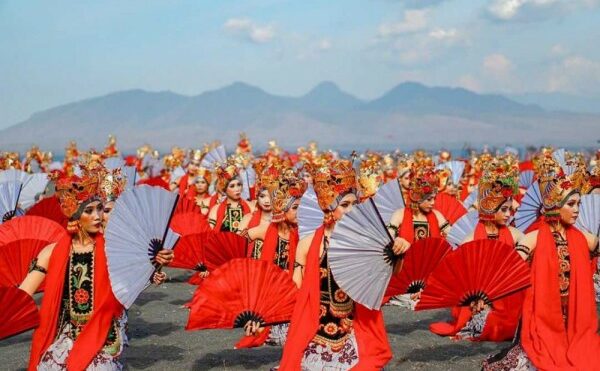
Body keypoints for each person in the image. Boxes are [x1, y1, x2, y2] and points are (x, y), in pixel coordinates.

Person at [19, 163, 173, 371]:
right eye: (89, 211)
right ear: (74, 214)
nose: (98, 216)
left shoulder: (115, 248)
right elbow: (21, 297)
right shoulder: (51, 252)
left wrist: (156, 264)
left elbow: (134, 278)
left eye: (100, 208)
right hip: (67, 332)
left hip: (104, 331)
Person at [483, 153, 600, 370]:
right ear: (556, 205)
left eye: (578, 204)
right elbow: (510, 267)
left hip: (575, 319)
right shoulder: (535, 237)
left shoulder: (583, 237)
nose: (576, 210)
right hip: (541, 317)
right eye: (571, 204)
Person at [274, 159, 394, 370]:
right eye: (344, 205)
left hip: (353, 325)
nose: (351, 210)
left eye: (354, 204)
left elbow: (388, 278)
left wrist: (396, 253)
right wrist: (270, 315)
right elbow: (295, 290)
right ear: (329, 208)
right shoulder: (309, 244)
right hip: (315, 324)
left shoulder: (364, 242)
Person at [430, 156, 525, 341]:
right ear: (490, 209)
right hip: (477, 300)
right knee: (494, 324)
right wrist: (474, 296)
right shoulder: (471, 239)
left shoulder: (514, 234)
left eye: (509, 209)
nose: (508, 214)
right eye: (503, 209)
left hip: (506, 296)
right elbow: (459, 276)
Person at [208, 160, 251, 232]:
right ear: (224, 189)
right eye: (232, 186)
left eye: (239, 185)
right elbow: (210, 234)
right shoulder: (216, 209)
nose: (237, 189)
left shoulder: (250, 206)